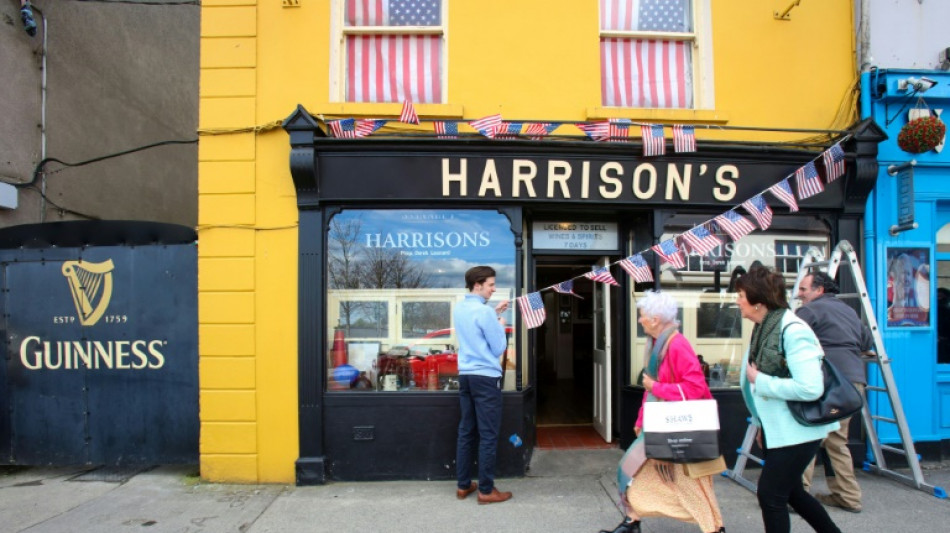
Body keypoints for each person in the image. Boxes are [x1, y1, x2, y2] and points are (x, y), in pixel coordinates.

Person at [601, 291, 725, 533]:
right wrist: (640, 419)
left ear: (655, 319)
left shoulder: (677, 345)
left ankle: (715, 528)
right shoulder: (659, 344)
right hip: (660, 426)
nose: (639, 320)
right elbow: (651, 390)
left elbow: (696, 388)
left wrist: (656, 387)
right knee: (631, 472)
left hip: (679, 430)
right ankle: (632, 521)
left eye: (642, 316)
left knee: (691, 486)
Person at [736, 266, 842, 533]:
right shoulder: (763, 328)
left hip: (798, 430)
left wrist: (760, 380)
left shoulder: (793, 330)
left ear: (758, 302)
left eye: (741, 295)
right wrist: (760, 423)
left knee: (771, 496)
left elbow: (810, 388)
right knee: (793, 494)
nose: (737, 301)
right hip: (780, 430)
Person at [796, 271, 872, 513]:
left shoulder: (809, 311)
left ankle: (796, 496)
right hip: (853, 383)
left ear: (819, 290)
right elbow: (867, 342)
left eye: (804, 290)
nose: (799, 295)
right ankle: (849, 496)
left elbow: (789, 339)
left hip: (826, 382)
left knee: (808, 436)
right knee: (838, 441)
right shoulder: (848, 310)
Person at [454, 266, 512, 504]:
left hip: (466, 376)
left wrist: (492, 313)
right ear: (477, 285)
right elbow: (498, 348)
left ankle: (463, 485)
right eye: (490, 284)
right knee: (488, 435)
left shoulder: (460, 308)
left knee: (466, 431)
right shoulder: (485, 314)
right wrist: (500, 322)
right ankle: (486, 490)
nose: (494, 288)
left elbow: (475, 328)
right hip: (486, 379)